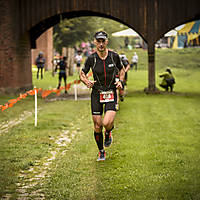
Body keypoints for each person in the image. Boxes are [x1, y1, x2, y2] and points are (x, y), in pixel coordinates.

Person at [79, 31, 125, 161]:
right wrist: (86, 81)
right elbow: (82, 73)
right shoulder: (91, 58)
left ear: (107, 42)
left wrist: (120, 81)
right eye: (98, 41)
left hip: (110, 92)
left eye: (103, 41)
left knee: (106, 123)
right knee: (97, 125)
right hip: (96, 93)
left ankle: (109, 132)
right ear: (94, 42)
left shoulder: (113, 56)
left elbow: (121, 69)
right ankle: (101, 151)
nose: (100, 44)